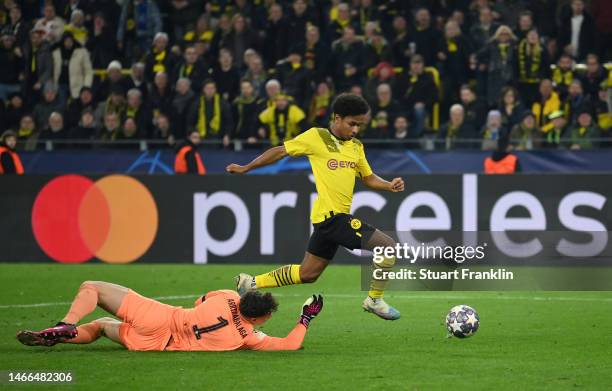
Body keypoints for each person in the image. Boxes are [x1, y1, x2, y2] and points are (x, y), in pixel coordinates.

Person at [227, 93, 404, 321]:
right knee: (387, 247)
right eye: (352, 124)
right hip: (333, 218)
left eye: (359, 125)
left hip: (328, 220)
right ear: (337, 118)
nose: (355, 130)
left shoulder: (356, 147)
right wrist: (246, 167)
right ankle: (374, 300)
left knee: (307, 273)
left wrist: (389, 185)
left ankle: (250, 282)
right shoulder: (316, 137)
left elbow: (368, 178)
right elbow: (280, 151)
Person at [16, 280, 323, 351]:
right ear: (257, 318)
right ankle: (68, 334)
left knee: (92, 288)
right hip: (155, 344)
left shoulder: (229, 297)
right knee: (100, 327)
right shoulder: (247, 337)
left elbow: (198, 299)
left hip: (160, 316)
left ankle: (66, 325)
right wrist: (306, 316)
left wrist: (238, 293)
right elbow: (289, 345)